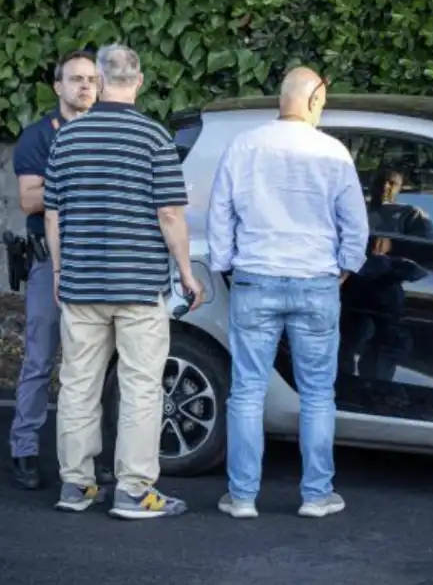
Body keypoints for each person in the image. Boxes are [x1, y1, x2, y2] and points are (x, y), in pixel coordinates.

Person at [43, 43, 204, 519]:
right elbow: (170, 213)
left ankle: (76, 485)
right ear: (138, 80)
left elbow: (54, 213)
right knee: (140, 386)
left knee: (77, 384)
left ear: (99, 77)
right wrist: (187, 273)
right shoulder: (154, 138)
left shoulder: (68, 138)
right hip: (138, 286)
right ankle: (133, 491)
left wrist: (58, 271)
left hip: (81, 284)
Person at [207, 66, 369, 519]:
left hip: (255, 279)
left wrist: (224, 265)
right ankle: (316, 495)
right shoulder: (333, 152)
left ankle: (241, 497)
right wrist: (344, 267)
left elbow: (220, 213)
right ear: (315, 99)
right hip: (315, 282)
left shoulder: (244, 145)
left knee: (247, 391)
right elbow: (355, 224)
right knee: (318, 394)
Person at [8, 50, 115, 491]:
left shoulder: (110, 133)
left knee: (95, 364)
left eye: (92, 79)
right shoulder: (38, 136)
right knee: (38, 360)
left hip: (100, 259)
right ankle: (25, 449)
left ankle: (92, 455)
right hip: (50, 260)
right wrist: (82, 177)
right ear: (58, 88)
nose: (85, 86)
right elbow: (31, 200)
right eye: (76, 79)